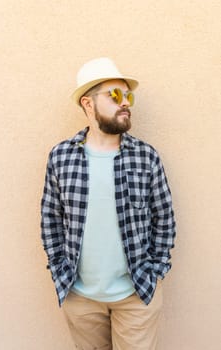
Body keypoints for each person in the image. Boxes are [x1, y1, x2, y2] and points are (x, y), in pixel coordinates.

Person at [41, 57, 176, 350]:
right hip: (80, 298)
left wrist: (155, 271)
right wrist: (58, 268)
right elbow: (50, 218)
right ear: (88, 104)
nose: (125, 102)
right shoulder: (61, 157)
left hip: (136, 295)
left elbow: (164, 217)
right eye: (115, 95)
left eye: (128, 95)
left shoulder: (146, 156)